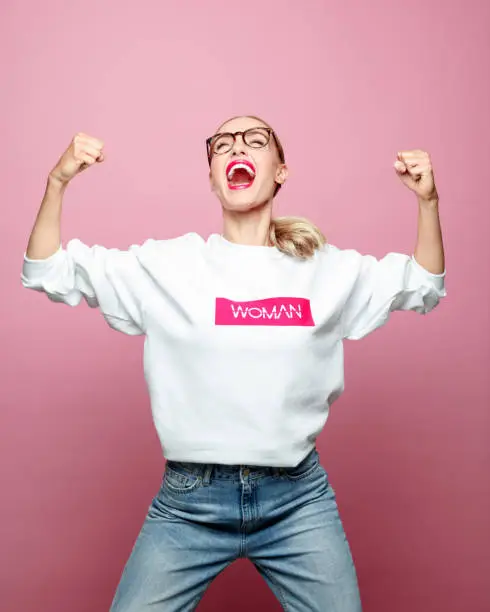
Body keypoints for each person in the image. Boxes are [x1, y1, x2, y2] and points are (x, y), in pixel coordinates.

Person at [21, 115, 446, 611]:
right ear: (213, 177)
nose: (235, 147)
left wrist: (428, 202)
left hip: (297, 501)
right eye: (221, 144)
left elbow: (423, 285)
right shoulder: (169, 266)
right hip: (189, 503)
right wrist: (57, 182)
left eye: (253, 140)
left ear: (280, 170)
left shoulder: (326, 269)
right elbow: (46, 270)